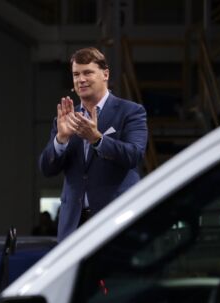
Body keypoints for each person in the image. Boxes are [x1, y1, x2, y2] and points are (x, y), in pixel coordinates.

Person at [39, 47, 148, 241]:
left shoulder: (130, 112)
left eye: (88, 72)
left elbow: (134, 155)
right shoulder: (65, 119)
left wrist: (97, 139)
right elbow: (46, 169)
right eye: (76, 74)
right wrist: (61, 140)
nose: (81, 79)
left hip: (115, 220)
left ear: (105, 74)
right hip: (74, 224)